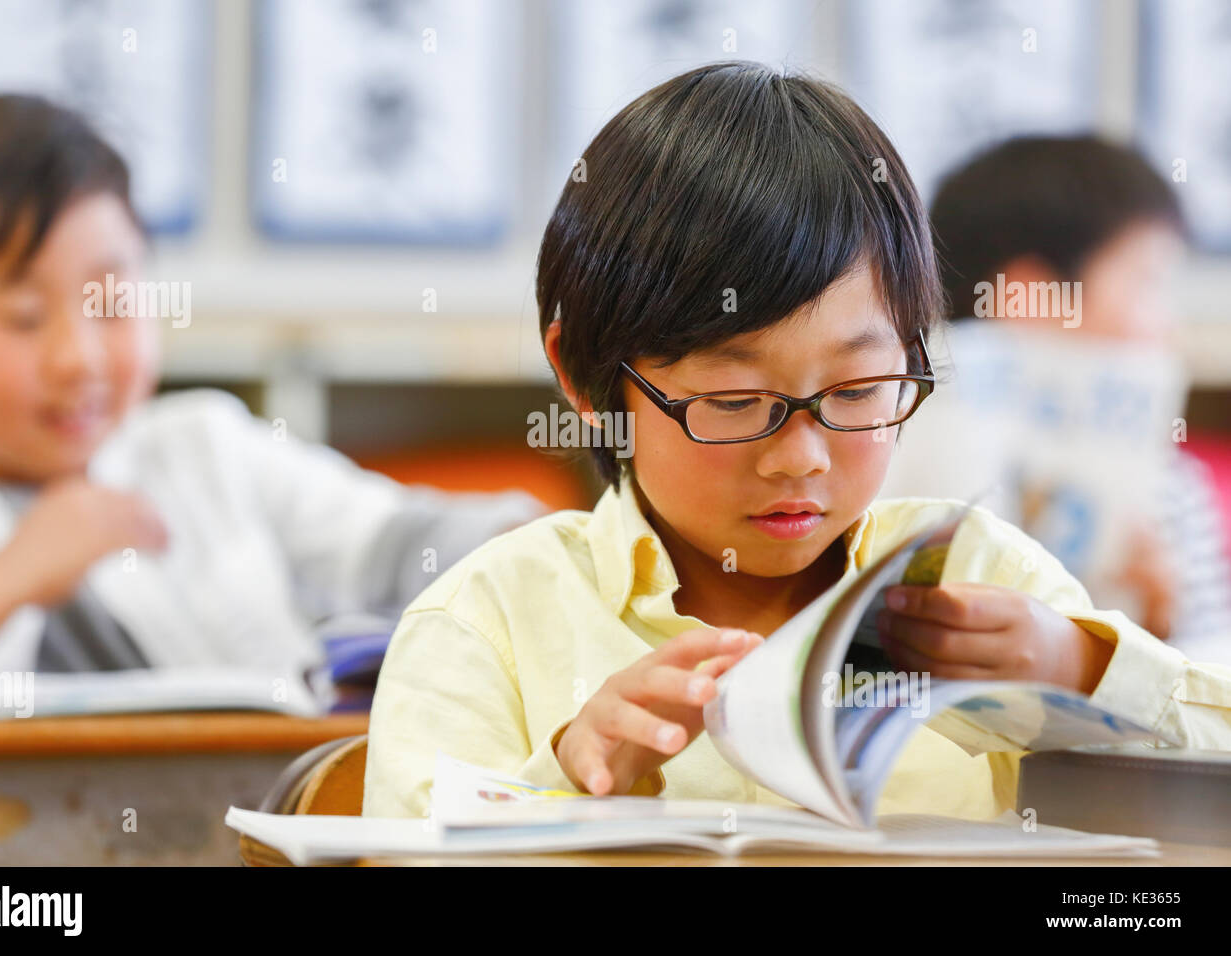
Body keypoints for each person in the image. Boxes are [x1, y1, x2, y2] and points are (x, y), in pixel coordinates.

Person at [361, 63, 1231, 820]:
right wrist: (559, 792)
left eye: (856, 391)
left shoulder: (981, 577)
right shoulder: (489, 622)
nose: (802, 457)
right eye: (736, 400)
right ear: (587, 380)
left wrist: (1081, 666)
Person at [0, 94, 541, 679]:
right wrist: (3, 585)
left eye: (112, 304)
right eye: (24, 316)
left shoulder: (205, 447)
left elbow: (395, 543)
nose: (76, 359)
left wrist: (541, 544)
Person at [919, 135, 1231, 662]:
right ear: (1028, 296)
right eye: (1146, 282)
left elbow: (1212, 696)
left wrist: (1161, 624)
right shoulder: (898, 444)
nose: (1167, 325)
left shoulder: (1172, 492)